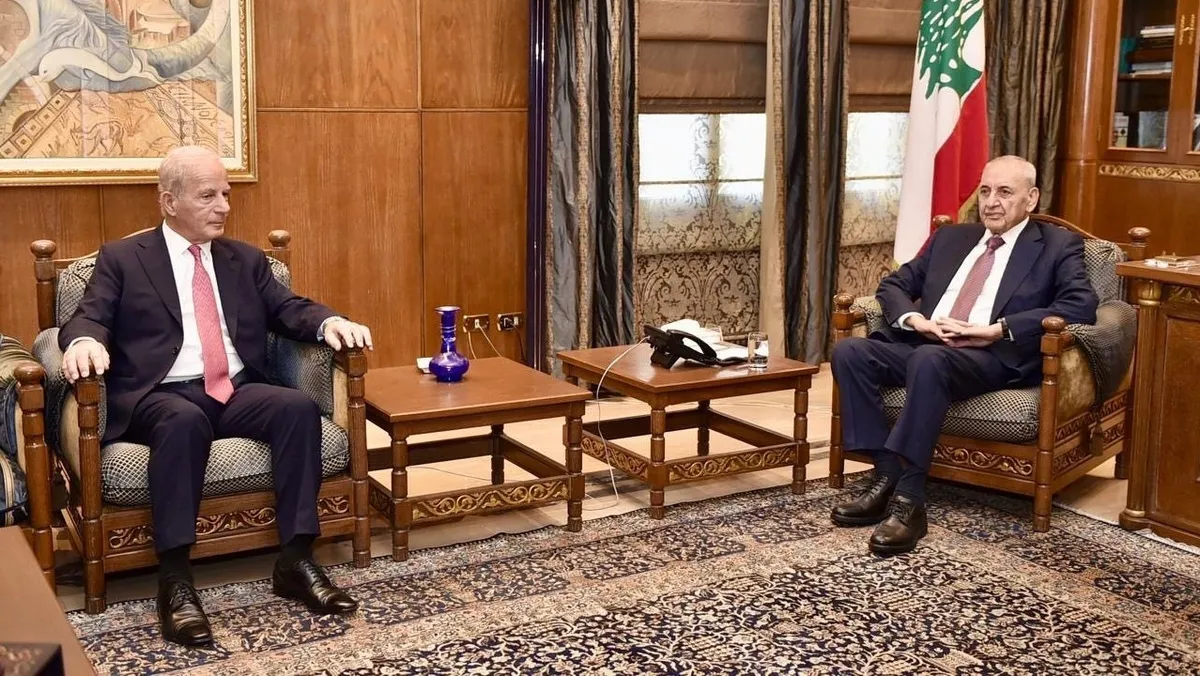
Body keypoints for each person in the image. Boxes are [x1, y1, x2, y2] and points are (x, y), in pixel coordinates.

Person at [59, 145, 374, 647]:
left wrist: (329, 321)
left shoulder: (243, 259)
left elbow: (287, 308)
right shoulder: (123, 259)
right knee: (183, 421)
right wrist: (83, 342)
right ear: (169, 201)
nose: (224, 206)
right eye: (208, 196)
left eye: (225, 194)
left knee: (296, 408)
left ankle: (296, 560)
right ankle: (175, 580)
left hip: (233, 386)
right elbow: (89, 316)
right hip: (160, 394)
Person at [829, 155, 1098, 555]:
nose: (991, 202)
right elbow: (894, 285)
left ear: (1031, 198)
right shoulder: (951, 238)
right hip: (926, 344)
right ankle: (885, 475)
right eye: (985, 191)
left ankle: (909, 501)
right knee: (849, 351)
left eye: (1004, 192)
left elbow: (1081, 304)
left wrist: (998, 329)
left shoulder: (1057, 246)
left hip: (991, 355)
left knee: (929, 361)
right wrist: (917, 321)